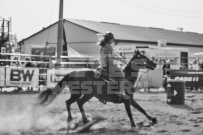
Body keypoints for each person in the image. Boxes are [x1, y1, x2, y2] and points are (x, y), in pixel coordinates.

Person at [97, 31, 127, 96]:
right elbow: (110, 57)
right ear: (110, 39)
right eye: (112, 39)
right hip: (109, 65)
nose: (113, 40)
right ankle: (120, 93)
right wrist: (121, 60)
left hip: (102, 65)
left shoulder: (102, 46)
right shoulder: (109, 47)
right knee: (122, 76)